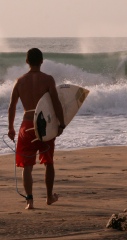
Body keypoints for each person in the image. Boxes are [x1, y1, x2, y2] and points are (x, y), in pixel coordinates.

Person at [8, 48, 65, 210]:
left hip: (27, 125)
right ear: (42, 61)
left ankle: (29, 201)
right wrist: (61, 124)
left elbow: (11, 107)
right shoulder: (48, 79)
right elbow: (56, 103)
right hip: (45, 125)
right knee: (48, 162)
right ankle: (49, 197)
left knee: (27, 165)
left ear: (27, 61)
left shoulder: (19, 81)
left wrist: (11, 128)